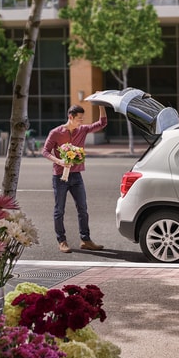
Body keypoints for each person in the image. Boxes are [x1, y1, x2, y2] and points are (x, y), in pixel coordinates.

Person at [42, 103, 108, 253]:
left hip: (77, 176)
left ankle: (85, 240)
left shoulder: (82, 130)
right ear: (70, 117)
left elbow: (102, 123)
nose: (81, 122)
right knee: (59, 210)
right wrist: (59, 161)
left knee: (83, 208)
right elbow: (45, 151)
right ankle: (62, 241)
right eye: (79, 119)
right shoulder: (56, 133)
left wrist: (101, 105)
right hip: (60, 176)